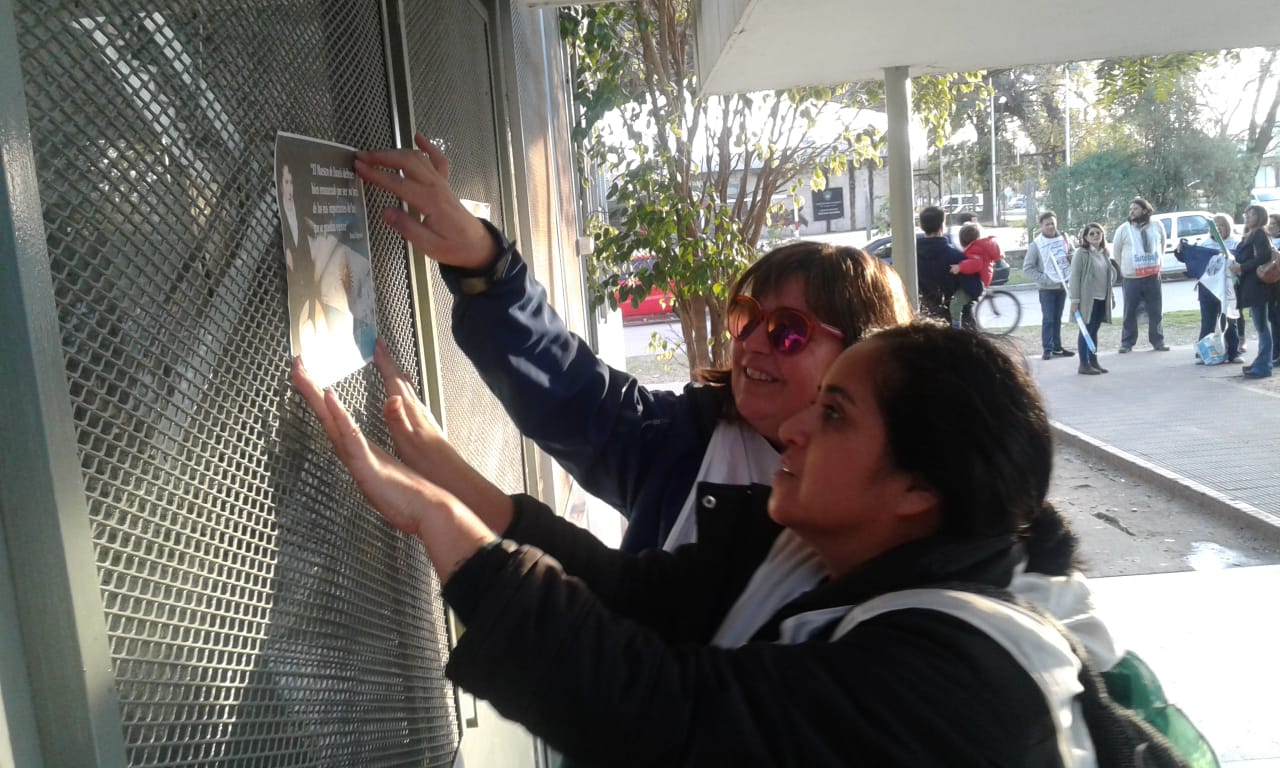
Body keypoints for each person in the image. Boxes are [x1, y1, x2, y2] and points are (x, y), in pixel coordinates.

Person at [291, 323, 1191, 767]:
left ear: (920, 489)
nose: (792, 425)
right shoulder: (802, 544)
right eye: (747, 319)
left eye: (832, 412)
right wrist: (448, 485)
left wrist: (446, 527)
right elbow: (629, 594)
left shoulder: (969, 678)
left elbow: (679, 718)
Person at [352, 136, 913, 553]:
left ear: (863, 359)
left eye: (789, 330)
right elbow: (570, 390)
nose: (754, 345)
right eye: (747, 318)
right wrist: (484, 265)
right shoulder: (685, 439)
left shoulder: (878, 541)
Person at [1112, 198, 1169, 354]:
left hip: (1152, 275)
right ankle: (1127, 343)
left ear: (1145, 210)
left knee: (1155, 310)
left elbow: (1162, 245)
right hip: (1132, 277)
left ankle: (1158, 341)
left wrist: (1157, 262)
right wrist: (1127, 268)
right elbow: (1116, 252)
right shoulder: (1123, 229)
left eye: (1135, 209)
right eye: (1130, 209)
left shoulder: (1157, 225)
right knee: (1130, 311)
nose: (1132, 212)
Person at [1183, 214, 1241, 365]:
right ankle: (1203, 353)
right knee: (1207, 322)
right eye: (1215, 226)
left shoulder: (1236, 243)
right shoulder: (1204, 244)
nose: (1218, 229)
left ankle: (1234, 353)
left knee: (1230, 321)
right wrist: (1181, 250)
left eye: (1222, 225)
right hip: (1207, 290)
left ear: (1228, 227)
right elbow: (1192, 260)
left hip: (1228, 290)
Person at [1230, 205, 1276, 378]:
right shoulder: (1249, 234)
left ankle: (1264, 365)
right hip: (1251, 284)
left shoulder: (1259, 234)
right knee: (1260, 325)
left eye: (1252, 214)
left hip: (1258, 285)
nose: (1247, 217)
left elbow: (1263, 257)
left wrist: (1242, 267)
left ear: (1260, 217)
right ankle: (1261, 362)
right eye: (1246, 214)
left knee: (1262, 326)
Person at [1022, 211, 1075, 361]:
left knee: (1057, 318)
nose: (1050, 226)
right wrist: (1044, 279)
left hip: (1062, 286)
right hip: (1047, 289)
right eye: (1047, 224)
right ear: (1041, 226)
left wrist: (1071, 259)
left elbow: (1072, 255)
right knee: (1048, 319)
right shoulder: (1036, 245)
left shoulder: (1064, 238)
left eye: (1052, 223)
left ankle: (1057, 347)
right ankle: (1047, 348)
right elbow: (1028, 268)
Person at [1068, 223, 1114, 375]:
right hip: (1088, 299)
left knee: (1094, 330)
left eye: (1098, 233)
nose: (1095, 236)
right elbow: (1075, 278)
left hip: (1102, 297)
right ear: (1086, 237)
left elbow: (1108, 277)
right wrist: (1075, 300)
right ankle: (1084, 364)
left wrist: (1111, 296)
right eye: (1092, 233)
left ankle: (1093, 361)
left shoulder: (1104, 253)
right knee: (1086, 331)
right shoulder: (1081, 254)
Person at [915, 205, 965, 321]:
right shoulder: (956, 256)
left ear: (921, 226)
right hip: (951, 317)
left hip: (921, 317)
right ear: (943, 225)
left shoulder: (912, 258)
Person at [949, 221, 1002, 329]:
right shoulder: (979, 246)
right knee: (965, 307)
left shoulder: (975, 249)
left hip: (977, 283)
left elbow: (976, 264)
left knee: (956, 304)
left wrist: (960, 267)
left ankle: (955, 328)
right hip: (980, 280)